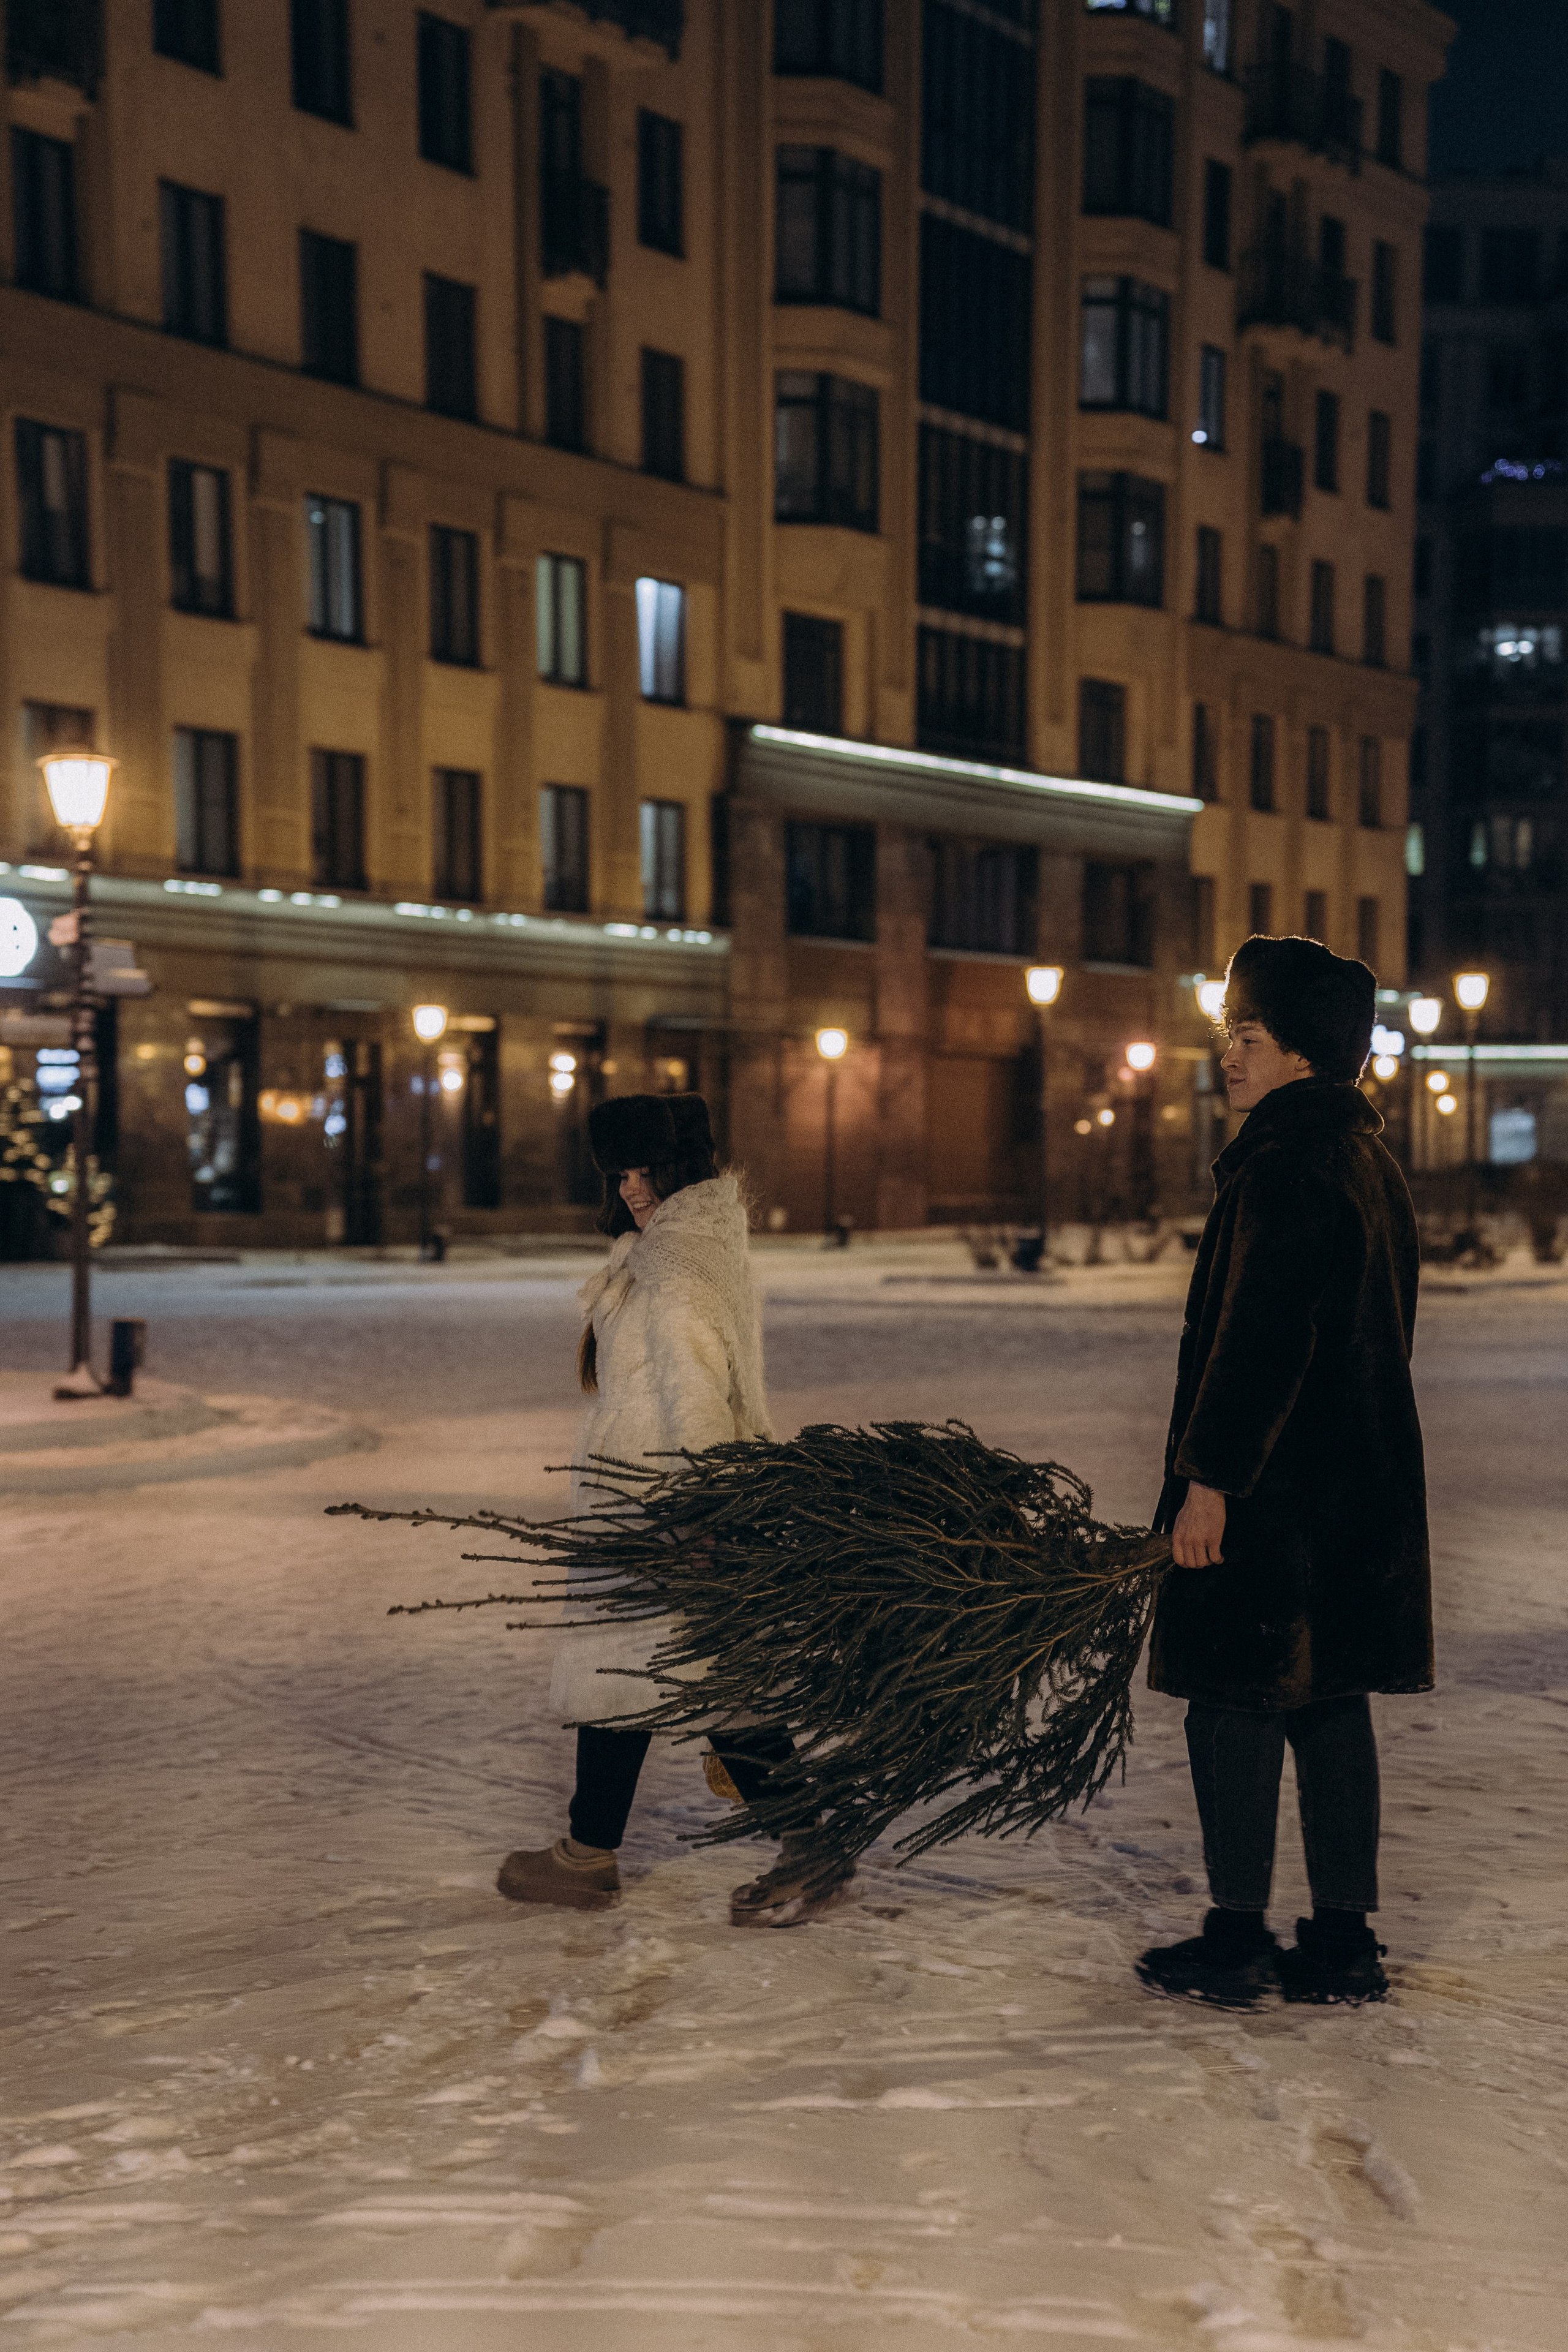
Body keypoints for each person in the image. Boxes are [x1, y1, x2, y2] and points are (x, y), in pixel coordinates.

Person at [1137, 935, 1433, 2008]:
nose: (1229, 1053)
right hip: (1356, 1490)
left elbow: (1262, 1341)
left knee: (1233, 1700)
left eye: (1249, 1036)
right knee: (1332, 1701)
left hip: (1274, 1497)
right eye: (1230, 1033)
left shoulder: (1286, 1162)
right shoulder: (1365, 1160)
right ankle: (1343, 1943)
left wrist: (1210, 1481)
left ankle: (1235, 1939)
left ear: (1302, 1051)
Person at [497, 1090, 851, 1929]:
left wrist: (696, 1515)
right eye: (619, 1173)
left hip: (664, 1508)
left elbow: (693, 1395)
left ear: (680, 1169)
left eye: (645, 1170)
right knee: (671, 1679)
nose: (630, 1188)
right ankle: (599, 1851)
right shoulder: (685, 1252)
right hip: (663, 1505)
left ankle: (611, 1854)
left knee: (677, 1680)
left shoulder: (674, 1269)